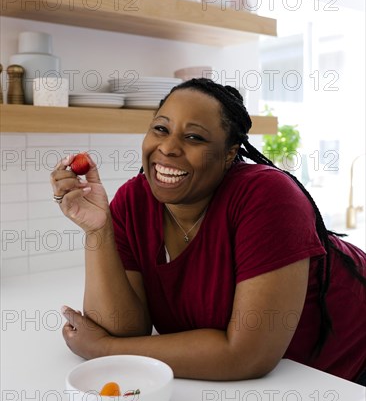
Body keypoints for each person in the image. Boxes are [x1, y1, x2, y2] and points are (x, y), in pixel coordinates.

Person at [51, 78, 366, 383]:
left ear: (229, 154)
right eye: (160, 128)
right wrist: (97, 232)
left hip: (354, 357)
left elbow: (247, 355)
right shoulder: (133, 201)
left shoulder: (268, 195)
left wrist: (104, 350)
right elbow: (124, 328)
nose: (169, 147)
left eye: (194, 137)